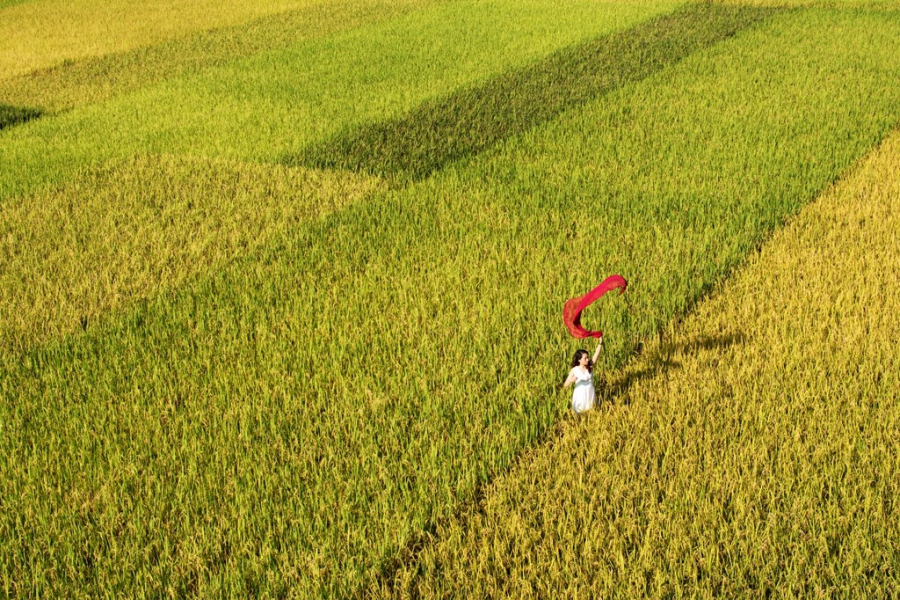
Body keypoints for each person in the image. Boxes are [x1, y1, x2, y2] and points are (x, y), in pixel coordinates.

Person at [562, 336, 603, 414]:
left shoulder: (590, 366)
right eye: (585, 358)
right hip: (580, 394)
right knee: (580, 412)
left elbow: (596, 354)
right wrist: (571, 380)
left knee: (591, 412)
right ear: (579, 360)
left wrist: (600, 343)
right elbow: (565, 385)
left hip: (590, 392)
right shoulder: (574, 370)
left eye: (588, 357)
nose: (587, 359)